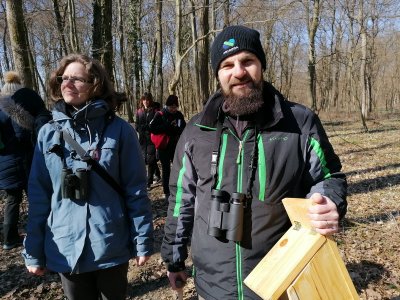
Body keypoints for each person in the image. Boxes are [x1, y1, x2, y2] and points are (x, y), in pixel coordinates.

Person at [161, 25, 347, 299]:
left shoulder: (298, 122)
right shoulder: (196, 130)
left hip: (280, 281)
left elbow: (328, 177)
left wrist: (328, 201)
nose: (239, 72)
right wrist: (174, 258)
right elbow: (181, 199)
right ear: (218, 74)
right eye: (227, 65)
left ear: (261, 65)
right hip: (213, 287)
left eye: (247, 61)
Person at [22, 54, 154, 300]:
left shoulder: (120, 131)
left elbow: (135, 190)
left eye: (76, 79)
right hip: (64, 246)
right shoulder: (48, 134)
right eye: (64, 78)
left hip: (110, 245)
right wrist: (34, 250)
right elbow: (39, 195)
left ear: (96, 84)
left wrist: (142, 240)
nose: (67, 83)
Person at [0, 71, 51, 250]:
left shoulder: (1, 112)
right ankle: (41, 233)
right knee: (36, 198)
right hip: (23, 162)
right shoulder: (21, 112)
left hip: (4, 163)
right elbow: (24, 140)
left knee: (12, 199)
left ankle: (9, 238)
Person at [149, 95, 186, 199]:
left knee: (178, 168)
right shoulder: (160, 114)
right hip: (163, 147)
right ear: (167, 106)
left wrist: (176, 128)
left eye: (175, 107)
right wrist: (168, 126)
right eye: (171, 107)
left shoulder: (179, 115)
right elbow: (152, 128)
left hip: (176, 146)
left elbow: (183, 128)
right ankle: (167, 191)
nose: (173, 109)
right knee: (166, 170)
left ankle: (179, 188)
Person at [135, 92, 161, 189]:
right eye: (144, 99)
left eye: (148, 99)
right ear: (142, 100)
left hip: (152, 139)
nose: (146, 101)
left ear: (150, 100)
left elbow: (157, 124)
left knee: (150, 160)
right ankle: (157, 174)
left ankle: (148, 182)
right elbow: (137, 125)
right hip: (142, 140)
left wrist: (150, 128)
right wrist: (140, 129)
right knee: (147, 159)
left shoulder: (155, 111)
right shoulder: (139, 111)